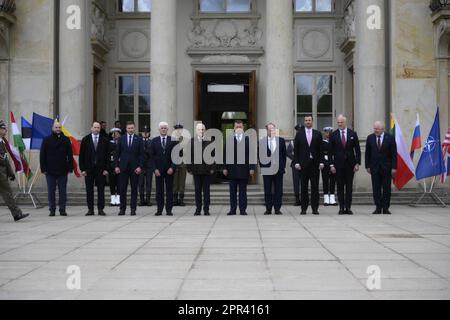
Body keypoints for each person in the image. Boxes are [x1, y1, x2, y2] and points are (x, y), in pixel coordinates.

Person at [329, 115, 361, 215]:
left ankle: (348, 207)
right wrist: (331, 165)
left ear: (345, 122)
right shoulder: (333, 135)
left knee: (349, 187)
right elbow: (330, 152)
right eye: (338, 122)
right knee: (339, 187)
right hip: (338, 165)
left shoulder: (352, 134)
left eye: (341, 122)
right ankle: (341, 207)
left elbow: (357, 150)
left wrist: (357, 163)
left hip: (350, 165)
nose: (339, 124)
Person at [40, 121, 73, 216]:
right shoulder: (46, 139)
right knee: (51, 191)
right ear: (52, 128)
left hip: (63, 170)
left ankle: (62, 209)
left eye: (59, 127)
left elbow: (69, 155)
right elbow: (42, 155)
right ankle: (52, 209)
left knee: (63, 191)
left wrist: (70, 167)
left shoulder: (66, 139)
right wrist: (43, 168)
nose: (58, 129)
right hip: (50, 170)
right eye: (56, 127)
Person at [223, 120, 256, 216]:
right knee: (232, 192)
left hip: (244, 170)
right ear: (234, 128)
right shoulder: (229, 139)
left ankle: (242, 210)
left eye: (240, 127)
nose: (238, 128)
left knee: (243, 192)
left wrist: (252, 168)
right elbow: (225, 155)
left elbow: (252, 155)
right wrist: (224, 167)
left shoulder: (248, 140)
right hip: (232, 170)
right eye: (236, 127)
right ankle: (232, 209)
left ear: (243, 128)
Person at [365, 121, 397, 215]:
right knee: (376, 188)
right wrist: (367, 166)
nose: (375, 130)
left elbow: (394, 154)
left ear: (382, 129)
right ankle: (378, 207)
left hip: (386, 168)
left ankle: (386, 207)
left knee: (386, 188)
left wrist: (394, 167)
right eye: (374, 128)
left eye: (377, 129)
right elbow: (367, 153)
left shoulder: (390, 138)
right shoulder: (370, 138)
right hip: (374, 168)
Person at [0, 120, 29, 222]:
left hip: (2, 173)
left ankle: (17, 214)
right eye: (4, 129)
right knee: (7, 193)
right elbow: (3, 159)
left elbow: (5, 159)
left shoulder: (3, 142)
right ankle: (16, 214)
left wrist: (11, 173)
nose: (5, 130)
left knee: (7, 193)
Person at [294, 115, 323, 215]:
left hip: (315, 165)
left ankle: (315, 208)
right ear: (304, 121)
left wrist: (321, 162)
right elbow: (296, 150)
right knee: (304, 187)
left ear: (312, 121)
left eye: (309, 120)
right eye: (306, 120)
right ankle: (303, 208)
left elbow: (321, 150)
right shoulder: (299, 134)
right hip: (303, 165)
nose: (308, 122)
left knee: (315, 187)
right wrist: (296, 162)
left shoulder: (318, 134)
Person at [79, 122, 109, 216]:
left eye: (98, 127)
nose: (96, 129)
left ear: (100, 129)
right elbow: (81, 155)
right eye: (95, 127)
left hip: (101, 170)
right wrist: (82, 169)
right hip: (88, 170)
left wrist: (107, 169)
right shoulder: (85, 139)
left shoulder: (104, 140)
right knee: (89, 190)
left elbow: (107, 156)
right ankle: (90, 209)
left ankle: (101, 209)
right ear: (91, 128)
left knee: (101, 190)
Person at [114, 121, 144, 216]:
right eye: (129, 128)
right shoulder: (121, 139)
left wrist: (140, 167)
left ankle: (133, 209)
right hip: (123, 168)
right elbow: (116, 154)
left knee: (134, 189)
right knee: (122, 189)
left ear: (134, 128)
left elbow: (142, 155)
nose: (130, 129)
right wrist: (116, 166)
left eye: (132, 128)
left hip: (135, 169)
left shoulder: (139, 139)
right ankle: (122, 208)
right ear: (126, 129)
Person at [259, 122, 287, 215]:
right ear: (266, 130)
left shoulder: (281, 141)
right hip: (267, 169)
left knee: (278, 190)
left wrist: (283, 167)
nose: (271, 131)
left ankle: (277, 209)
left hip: (279, 169)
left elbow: (284, 155)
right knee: (267, 190)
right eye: (269, 129)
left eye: (273, 129)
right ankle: (268, 209)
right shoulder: (262, 141)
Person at [187, 123, 214, 216]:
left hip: (206, 172)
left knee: (206, 191)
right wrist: (189, 169)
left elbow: (214, 156)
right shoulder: (191, 141)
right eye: (199, 129)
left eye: (203, 129)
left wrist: (212, 169)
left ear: (205, 131)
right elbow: (189, 156)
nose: (201, 131)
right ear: (196, 131)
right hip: (196, 171)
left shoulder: (210, 142)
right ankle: (198, 209)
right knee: (197, 191)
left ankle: (206, 209)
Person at [150, 122, 176, 216]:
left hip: (169, 170)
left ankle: (169, 209)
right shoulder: (154, 141)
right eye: (162, 128)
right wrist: (154, 169)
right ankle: (159, 209)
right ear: (159, 129)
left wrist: (172, 167)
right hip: (158, 170)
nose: (163, 129)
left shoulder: (173, 140)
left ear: (167, 129)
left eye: (165, 128)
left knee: (169, 190)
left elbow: (176, 156)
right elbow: (151, 157)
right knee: (159, 191)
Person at [287, 124, 303, 206]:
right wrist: (296, 159)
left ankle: (304, 199)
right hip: (295, 165)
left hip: (304, 164)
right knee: (296, 183)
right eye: (297, 131)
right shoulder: (292, 142)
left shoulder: (306, 141)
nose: (298, 132)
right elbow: (288, 152)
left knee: (304, 182)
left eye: (300, 131)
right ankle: (297, 199)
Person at [321, 127, 337, 206]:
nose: (328, 134)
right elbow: (320, 153)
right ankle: (326, 198)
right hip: (324, 163)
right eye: (326, 132)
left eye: (330, 132)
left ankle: (332, 197)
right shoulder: (321, 142)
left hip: (333, 162)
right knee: (325, 180)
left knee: (333, 181)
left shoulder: (334, 142)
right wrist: (321, 162)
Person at [172, 124, 187, 207]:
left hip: (183, 163)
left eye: (180, 129)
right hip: (174, 163)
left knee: (182, 182)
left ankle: (181, 199)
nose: (178, 131)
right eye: (177, 130)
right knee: (174, 182)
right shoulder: (171, 140)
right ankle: (174, 199)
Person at [139, 125, 153, 206]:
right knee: (140, 184)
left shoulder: (151, 142)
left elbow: (152, 154)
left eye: (147, 132)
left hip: (149, 166)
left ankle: (148, 199)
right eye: (144, 132)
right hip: (140, 166)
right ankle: (141, 200)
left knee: (148, 183)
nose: (145, 134)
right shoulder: (139, 141)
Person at [108, 128, 121, 206]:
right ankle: (113, 200)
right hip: (111, 166)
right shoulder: (109, 143)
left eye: (116, 133)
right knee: (112, 184)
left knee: (119, 184)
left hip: (120, 166)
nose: (115, 135)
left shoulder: (121, 142)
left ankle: (118, 200)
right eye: (113, 133)